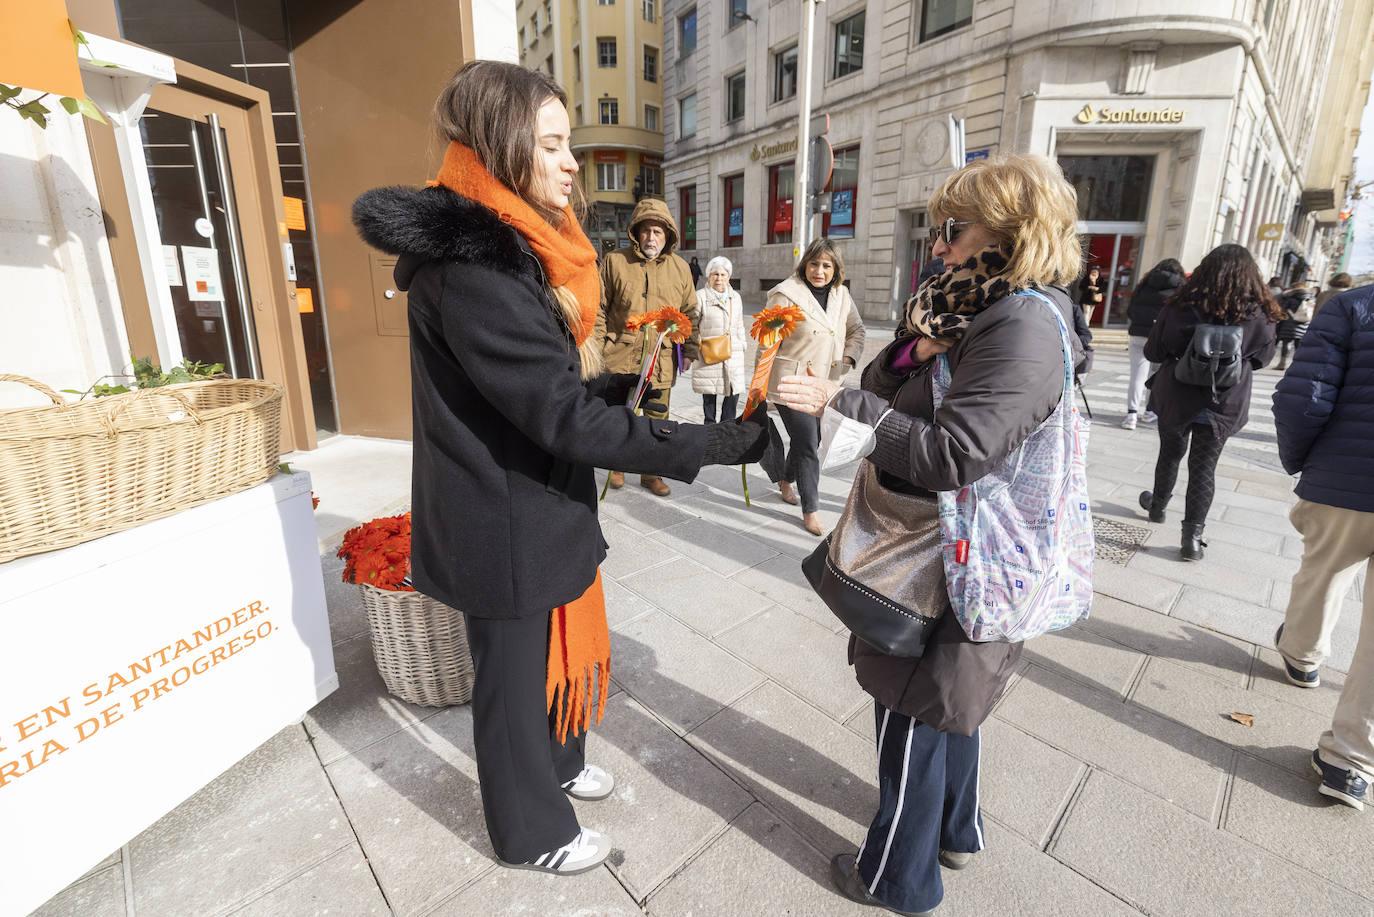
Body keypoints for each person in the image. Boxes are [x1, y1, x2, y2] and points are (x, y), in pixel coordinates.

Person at [352, 61, 771, 877]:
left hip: (532, 500)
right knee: (509, 685)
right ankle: (530, 828)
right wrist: (714, 444)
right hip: (498, 515)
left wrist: (623, 380)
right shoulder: (477, 268)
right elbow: (560, 416)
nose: (572, 162)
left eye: (569, 143)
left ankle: (564, 756)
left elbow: (545, 384)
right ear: (503, 147)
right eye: (552, 144)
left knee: (551, 652)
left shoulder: (523, 250)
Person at [775, 153, 1084, 917]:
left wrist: (845, 404)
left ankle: (897, 877)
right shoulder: (967, 308)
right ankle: (959, 830)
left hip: (959, 558)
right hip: (959, 550)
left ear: (1010, 234)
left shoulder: (1021, 326)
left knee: (914, 708)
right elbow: (888, 383)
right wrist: (906, 352)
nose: (938, 246)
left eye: (954, 229)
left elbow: (953, 453)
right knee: (953, 701)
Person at [1272, 282, 1374, 811]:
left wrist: (1303, 461)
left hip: (1348, 479)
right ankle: (1351, 761)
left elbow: (1301, 396)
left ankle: (1303, 656)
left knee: (1323, 572)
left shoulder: (1356, 306)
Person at [1138, 244, 1280, 561]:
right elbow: (1263, 359)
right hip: (1224, 400)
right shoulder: (1259, 312)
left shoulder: (1181, 304)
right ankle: (1192, 540)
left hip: (1177, 395)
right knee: (1204, 468)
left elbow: (1154, 352)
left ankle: (1157, 507)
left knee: (1170, 453)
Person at [598, 199, 701, 497]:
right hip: (620, 358)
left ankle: (651, 472)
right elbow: (598, 309)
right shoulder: (615, 261)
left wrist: (691, 350)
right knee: (620, 416)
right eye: (646, 231)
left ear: (667, 235)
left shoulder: (681, 269)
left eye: (658, 231)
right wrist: (598, 347)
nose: (651, 238)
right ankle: (616, 465)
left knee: (658, 419)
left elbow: (691, 312)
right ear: (635, 233)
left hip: (662, 360)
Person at [764, 238, 866, 535]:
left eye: (826, 265)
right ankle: (811, 509)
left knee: (806, 439)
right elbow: (768, 342)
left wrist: (847, 356)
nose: (819, 271)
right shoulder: (785, 294)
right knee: (809, 440)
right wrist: (757, 388)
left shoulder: (841, 295)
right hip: (790, 381)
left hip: (825, 383)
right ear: (804, 264)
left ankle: (786, 479)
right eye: (814, 264)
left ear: (835, 269)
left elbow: (857, 330)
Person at [1121, 259, 1185, 429]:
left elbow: (1130, 309)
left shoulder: (1144, 284)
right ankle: (1150, 412)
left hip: (1137, 335)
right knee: (1156, 375)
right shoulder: (1179, 287)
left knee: (1137, 376)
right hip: (1161, 337)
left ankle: (1131, 416)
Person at [691, 256, 747, 423]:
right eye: (715, 274)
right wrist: (698, 344)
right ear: (709, 276)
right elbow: (692, 324)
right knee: (709, 393)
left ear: (728, 276)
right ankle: (709, 427)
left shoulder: (735, 297)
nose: (719, 278)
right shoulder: (700, 296)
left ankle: (727, 426)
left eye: (723, 274)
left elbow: (740, 323)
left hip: (733, 351)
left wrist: (742, 343)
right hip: (709, 352)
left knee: (733, 391)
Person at [1275, 275, 1315, 370]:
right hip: (1304, 324)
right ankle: (1297, 365)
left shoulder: (1291, 298)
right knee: (1299, 346)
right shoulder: (1310, 298)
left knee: (1286, 343)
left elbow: (1283, 309)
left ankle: (1282, 363)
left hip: (1289, 323)